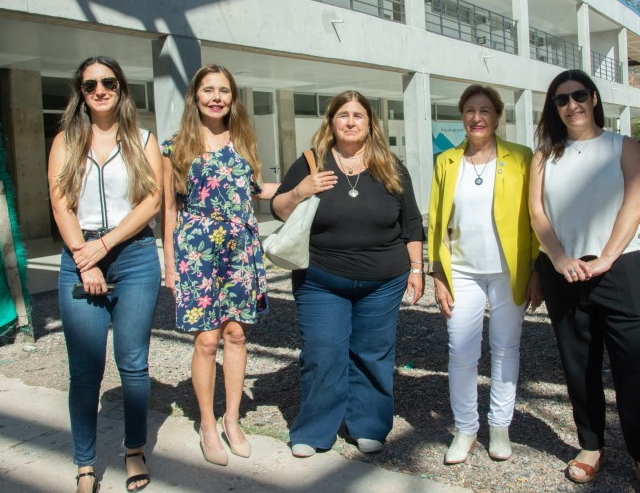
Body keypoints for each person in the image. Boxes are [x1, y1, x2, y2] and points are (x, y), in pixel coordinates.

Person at [528, 69, 640, 492]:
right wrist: (557, 258)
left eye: (579, 95)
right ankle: (590, 446)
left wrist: (607, 257)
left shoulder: (622, 146)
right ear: (553, 108)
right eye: (561, 99)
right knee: (578, 366)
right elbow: (537, 214)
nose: (572, 105)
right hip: (565, 272)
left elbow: (635, 203)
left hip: (621, 268)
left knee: (635, 369)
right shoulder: (543, 156)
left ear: (593, 98)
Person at [271, 91, 424, 458]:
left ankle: (368, 425)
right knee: (323, 351)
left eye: (358, 115)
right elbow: (278, 209)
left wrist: (417, 269)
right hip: (321, 278)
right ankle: (313, 430)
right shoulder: (312, 162)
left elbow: (412, 223)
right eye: (343, 115)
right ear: (331, 122)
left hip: (383, 281)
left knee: (373, 353)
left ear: (370, 123)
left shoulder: (390, 166)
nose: (351, 121)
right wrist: (299, 191)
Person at [48, 56, 163, 493]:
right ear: (80, 91)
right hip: (81, 256)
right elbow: (61, 204)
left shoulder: (143, 138)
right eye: (90, 83)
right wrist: (86, 257)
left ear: (121, 88)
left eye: (108, 81)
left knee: (133, 363)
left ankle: (134, 451)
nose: (100, 89)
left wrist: (106, 245)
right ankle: (84, 464)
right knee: (85, 370)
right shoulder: (64, 140)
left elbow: (152, 202)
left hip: (133, 256)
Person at [161, 64, 277, 466]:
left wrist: (304, 187)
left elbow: (256, 190)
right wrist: (170, 265)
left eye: (223, 90)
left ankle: (232, 419)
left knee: (237, 336)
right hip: (197, 250)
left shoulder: (243, 140)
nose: (216, 97)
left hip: (241, 248)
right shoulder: (175, 146)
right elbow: (168, 209)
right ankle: (207, 425)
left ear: (232, 97)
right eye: (208, 89)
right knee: (207, 340)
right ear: (195, 96)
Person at [427, 84, 539, 464]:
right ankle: (465, 429)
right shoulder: (446, 161)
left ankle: (500, 426)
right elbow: (436, 221)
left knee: (506, 348)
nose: (477, 118)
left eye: (485, 110)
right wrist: (437, 272)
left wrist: (537, 269)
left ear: (497, 116)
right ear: (462, 116)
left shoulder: (522, 158)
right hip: (462, 271)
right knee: (461, 350)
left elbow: (536, 218)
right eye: (470, 111)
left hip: (510, 270)